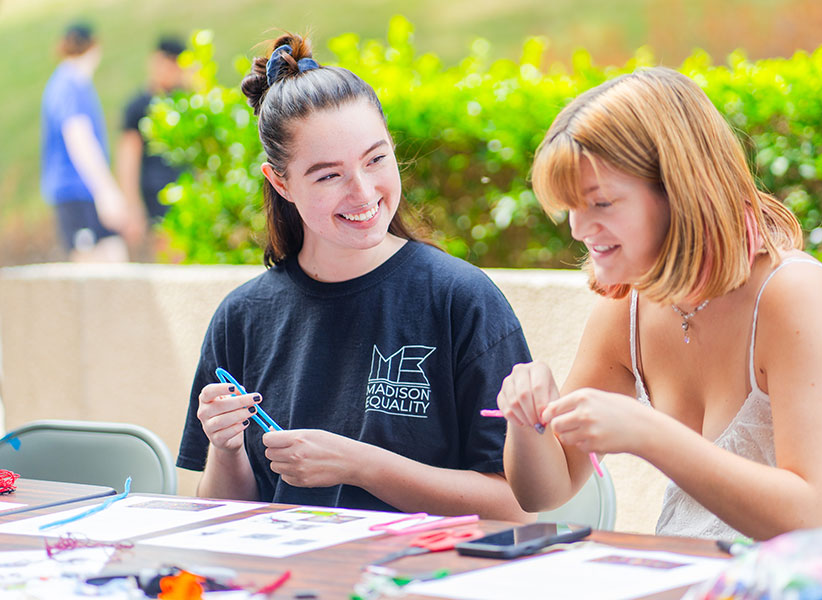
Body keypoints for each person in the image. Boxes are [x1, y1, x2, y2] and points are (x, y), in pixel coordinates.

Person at [496, 67, 822, 545]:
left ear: (679, 191)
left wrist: (647, 433)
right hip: (693, 572)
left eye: (601, 204)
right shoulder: (627, 307)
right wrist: (526, 421)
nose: (578, 229)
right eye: (570, 207)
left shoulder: (796, 296)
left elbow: (816, 519)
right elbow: (546, 490)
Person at [177, 33, 532, 521]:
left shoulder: (461, 300)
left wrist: (360, 466)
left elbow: (514, 507)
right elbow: (222, 514)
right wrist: (226, 449)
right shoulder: (242, 316)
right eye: (328, 175)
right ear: (280, 182)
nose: (363, 192)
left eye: (375, 159)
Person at [40, 22, 141, 262]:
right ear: (94, 46)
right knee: (95, 265)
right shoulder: (69, 84)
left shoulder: (72, 83)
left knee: (113, 257)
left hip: (82, 192)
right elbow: (79, 139)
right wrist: (105, 191)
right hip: (77, 193)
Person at [116, 35, 187, 248]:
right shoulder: (138, 107)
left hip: (185, 190)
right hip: (155, 194)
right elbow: (128, 159)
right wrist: (131, 205)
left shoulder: (185, 102)